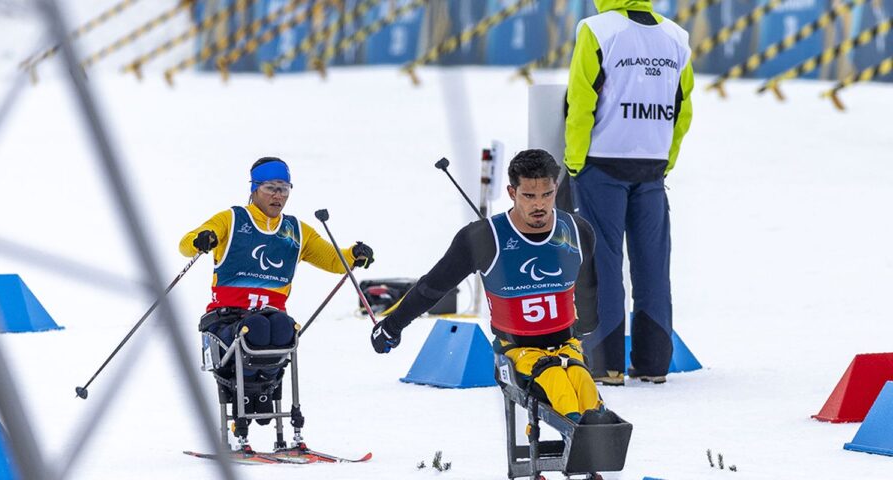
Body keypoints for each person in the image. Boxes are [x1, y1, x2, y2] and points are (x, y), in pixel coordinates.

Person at [371, 149, 605, 423]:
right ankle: (585, 444)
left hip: (566, 347)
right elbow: (432, 287)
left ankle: (598, 447)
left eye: (547, 194)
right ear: (511, 192)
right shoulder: (485, 238)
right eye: (529, 196)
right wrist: (392, 326)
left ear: (556, 188)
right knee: (560, 389)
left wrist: (586, 325)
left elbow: (588, 289)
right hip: (518, 352)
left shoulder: (577, 231)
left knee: (587, 392)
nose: (539, 205)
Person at [179, 156, 374, 447]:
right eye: (270, 187)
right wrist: (201, 239)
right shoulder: (232, 220)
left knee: (284, 328)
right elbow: (186, 243)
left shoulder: (296, 231)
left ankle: (264, 392)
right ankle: (244, 396)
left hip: (271, 316)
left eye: (284, 188)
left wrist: (354, 254)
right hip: (227, 319)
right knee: (256, 327)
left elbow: (334, 260)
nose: (277, 195)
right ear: (254, 188)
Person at [563, 0, 694, 385]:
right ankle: (654, 364)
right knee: (653, 265)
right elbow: (682, 109)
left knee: (601, 263)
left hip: (601, 164)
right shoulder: (676, 37)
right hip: (651, 166)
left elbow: (581, 101)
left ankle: (606, 364)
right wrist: (665, 161)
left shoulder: (597, 29)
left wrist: (574, 161)